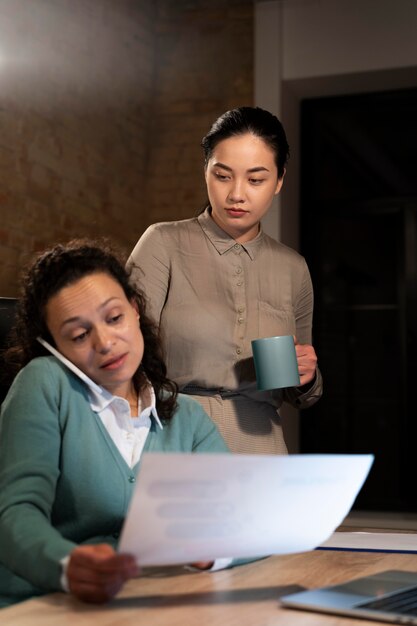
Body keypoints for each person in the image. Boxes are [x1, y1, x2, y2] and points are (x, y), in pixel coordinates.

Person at [0, 239, 230, 609]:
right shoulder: (44, 383)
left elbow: (245, 519)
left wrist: (211, 551)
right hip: (44, 604)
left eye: (114, 317)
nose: (105, 342)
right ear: (54, 347)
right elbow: (15, 513)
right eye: (78, 335)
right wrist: (66, 565)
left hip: (145, 605)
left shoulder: (187, 417)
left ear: (135, 310)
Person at [128, 106, 323, 455]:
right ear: (205, 172)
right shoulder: (163, 244)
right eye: (223, 175)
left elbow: (299, 383)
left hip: (262, 448)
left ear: (279, 181)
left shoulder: (293, 268)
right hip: (175, 437)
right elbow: (123, 355)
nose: (237, 194)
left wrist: (306, 375)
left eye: (256, 179)